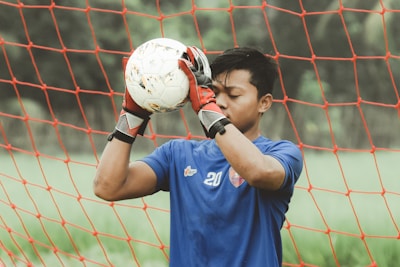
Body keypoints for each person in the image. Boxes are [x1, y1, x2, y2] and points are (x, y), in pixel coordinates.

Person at [93, 46, 303, 266]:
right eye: (214, 92)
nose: (220, 102)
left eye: (233, 95)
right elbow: (107, 187)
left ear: (264, 103)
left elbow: (258, 172)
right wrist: (132, 117)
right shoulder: (177, 155)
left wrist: (207, 109)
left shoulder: (281, 153)